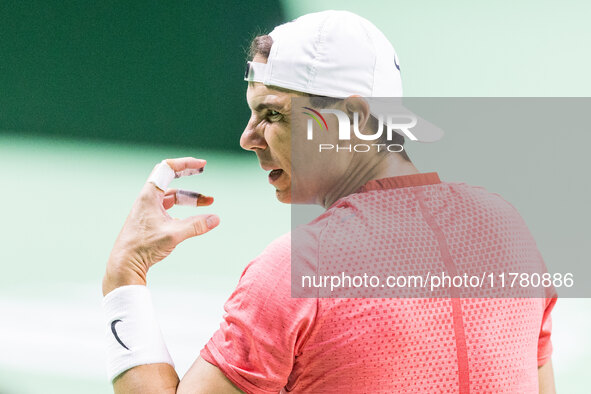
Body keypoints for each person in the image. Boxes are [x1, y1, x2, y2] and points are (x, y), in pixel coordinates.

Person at [102, 10, 557, 393]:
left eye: (273, 114)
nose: (246, 138)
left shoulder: (298, 270)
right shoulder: (510, 230)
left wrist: (125, 273)